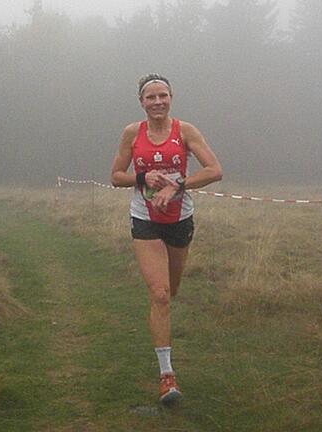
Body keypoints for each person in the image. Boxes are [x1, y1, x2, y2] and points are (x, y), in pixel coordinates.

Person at [110, 74, 223, 405]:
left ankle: (160, 316)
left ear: (171, 97)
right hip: (145, 219)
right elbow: (116, 176)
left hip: (179, 219)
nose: (157, 101)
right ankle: (167, 377)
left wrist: (178, 185)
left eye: (162, 95)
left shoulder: (185, 131)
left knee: (171, 290)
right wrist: (143, 177)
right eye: (150, 97)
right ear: (141, 102)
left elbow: (214, 169)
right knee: (159, 295)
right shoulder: (132, 133)